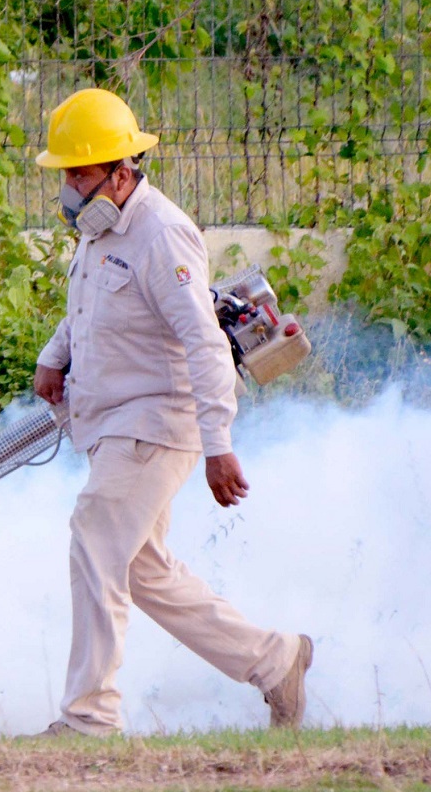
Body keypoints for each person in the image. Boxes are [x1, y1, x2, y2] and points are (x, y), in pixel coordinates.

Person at [27, 87, 313, 738]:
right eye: (66, 173)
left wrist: (219, 445)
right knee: (141, 569)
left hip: (157, 422)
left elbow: (205, 342)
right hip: (113, 422)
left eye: (80, 172)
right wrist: (54, 355)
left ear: (121, 171)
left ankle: (89, 719)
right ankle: (277, 661)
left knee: (95, 539)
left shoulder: (163, 233)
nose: (69, 186)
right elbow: (90, 308)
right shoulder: (100, 230)